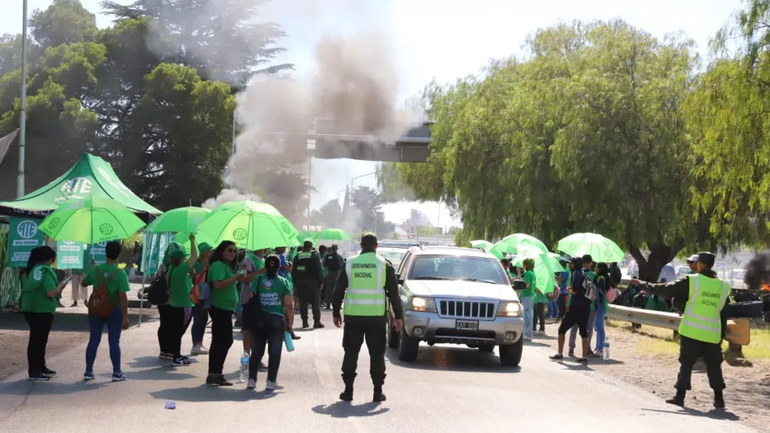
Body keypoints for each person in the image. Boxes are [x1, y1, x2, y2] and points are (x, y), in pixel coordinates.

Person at [631, 252, 730, 409]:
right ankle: (719, 400)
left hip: (691, 331)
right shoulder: (723, 286)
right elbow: (724, 313)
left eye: (696, 262)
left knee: (686, 364)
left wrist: (642, 284)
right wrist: (722, 334)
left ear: (701, 264)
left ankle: (680, 397)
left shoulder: (692, 281)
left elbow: (666, 289)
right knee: (714, 366)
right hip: (712, 334)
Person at [333, 233, 404, 402]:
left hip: (353, 317)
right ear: (376, 246)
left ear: (361, 245)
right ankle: (377, 392)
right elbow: (394, 294)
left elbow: (338, 289)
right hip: (376, 318)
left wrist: (336, 312)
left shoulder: (350, 263)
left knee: (350, 353)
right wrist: (398, 317)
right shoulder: (384, 265)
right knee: (377, 354)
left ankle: (348, 391)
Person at [243, 255, 294, 391]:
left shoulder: (258, 280)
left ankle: (252, 380)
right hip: (277, 320)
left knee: (257, 351)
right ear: (279, 267)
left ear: (265, 266)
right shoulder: (283, 282)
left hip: (259, 320)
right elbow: (288, 304)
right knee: (275, 352)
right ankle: (271, 381)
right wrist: (290, 324)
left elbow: (250, 297)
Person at [82, 241, 131, 382]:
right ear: (119, 254)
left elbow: (84, 283)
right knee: (114, 342)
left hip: (96, 308)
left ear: (105, 253)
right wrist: (125, 317)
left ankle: (88, 371)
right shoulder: (120, 273)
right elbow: (123, 296)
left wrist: (92, 273)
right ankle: (117, 372)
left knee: (93, 340)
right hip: (114, 311)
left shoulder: (95, 269)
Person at [21, 246, 67, 381]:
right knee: (39, 341)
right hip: (43, 310)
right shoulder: (45, 272)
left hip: (30, 308)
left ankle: (40, 367)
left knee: (36, 339)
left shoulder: (29, 271)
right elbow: (51, 292)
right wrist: (61, 285)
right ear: (49, 259)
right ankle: (35, 370)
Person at [206, 241, 248, 387]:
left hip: (226, 308)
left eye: (234, 251)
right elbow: (218, 284)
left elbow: (236, 281)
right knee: (223, 340)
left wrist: (240, 273)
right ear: (222, 251)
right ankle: (214, 373)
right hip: (219, 307)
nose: (233, 253)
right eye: (229, 250)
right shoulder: (218, 265)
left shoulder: (228, 267)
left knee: (221, 340)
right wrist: (236, 277)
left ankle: (215, 373)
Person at [550, 257, 590, 364]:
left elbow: (575, 291)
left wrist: (569, 290)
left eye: (571, 263)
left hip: (576, 307)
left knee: (562, 329)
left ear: (575, 264)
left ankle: (559, 353)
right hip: (585, 307)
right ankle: (584, 357)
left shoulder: (576, 274)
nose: (569, 265)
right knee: (584, 332)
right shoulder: (584, 274)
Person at [166, 235, 198, 365]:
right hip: (183, 305)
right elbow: (195, 256)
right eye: (184, 257)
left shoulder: (172, 270)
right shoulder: (180, 269)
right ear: (181, 259)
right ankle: (176, 357)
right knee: (178, 332)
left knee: (177, 331)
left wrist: (191, 275)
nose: (186, 259)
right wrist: (191, 240)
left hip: (176, 304)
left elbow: (185, 283)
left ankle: (176, 354)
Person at [292, 241, 325, 329]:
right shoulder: (314, 255)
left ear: (303, 247)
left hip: (300, 283)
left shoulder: (297, 256)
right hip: (313, 283)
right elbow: (319, 269)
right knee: (315, 303)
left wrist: (294, 282)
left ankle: (304, 322)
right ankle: (316, 322)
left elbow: (293, 270)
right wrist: (321, 282)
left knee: (303, 303)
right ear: (311, 247)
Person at [568, 255, 597, 356]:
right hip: (590, 305)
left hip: (576, 304)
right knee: (588, 328)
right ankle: (587, 349)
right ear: (591, 263)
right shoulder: (593, 275)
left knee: (574, 326)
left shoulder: (575, 273)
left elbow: (572, 289)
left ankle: (571, 348)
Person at [190, 242, 213, 355]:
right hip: (198, 295)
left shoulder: (209, 263)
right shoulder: (198, 264)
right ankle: (195, 344)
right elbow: (198, 279)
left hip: (205, 294)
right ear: (204, 251)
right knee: (198, 319)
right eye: (209, 250)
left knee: (203, 319)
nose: (211, 252)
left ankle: (200, 342)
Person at [593, 263, 610, 357]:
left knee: (599, 327)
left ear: (600, 269)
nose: (595, 269)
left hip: (599, 304)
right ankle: (598, 346)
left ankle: (600, 348)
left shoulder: (601, 279)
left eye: (596, 267)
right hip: (601, 305)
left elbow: (600, 292)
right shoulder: (603, 278)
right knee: (597, 327)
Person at [323, 244, 344, 310]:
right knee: (337, 290)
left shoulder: (327, 256)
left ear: (331, 248)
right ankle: (337, 305)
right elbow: (342, 265)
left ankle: (328, 304)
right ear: (337, 249)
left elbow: (324, 264)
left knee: (329, 289)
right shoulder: (339, 256)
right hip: (337, 274)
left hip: (329, 273)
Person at [519, 258, 536, 339]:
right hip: (531, 295)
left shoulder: (528, 274)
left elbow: (527, 284)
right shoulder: (533, 273)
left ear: (525, 265)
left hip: (526, 295)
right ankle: (529, 333)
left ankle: (527, 334)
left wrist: (519, 284)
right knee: (529, 314)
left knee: (526, 315)